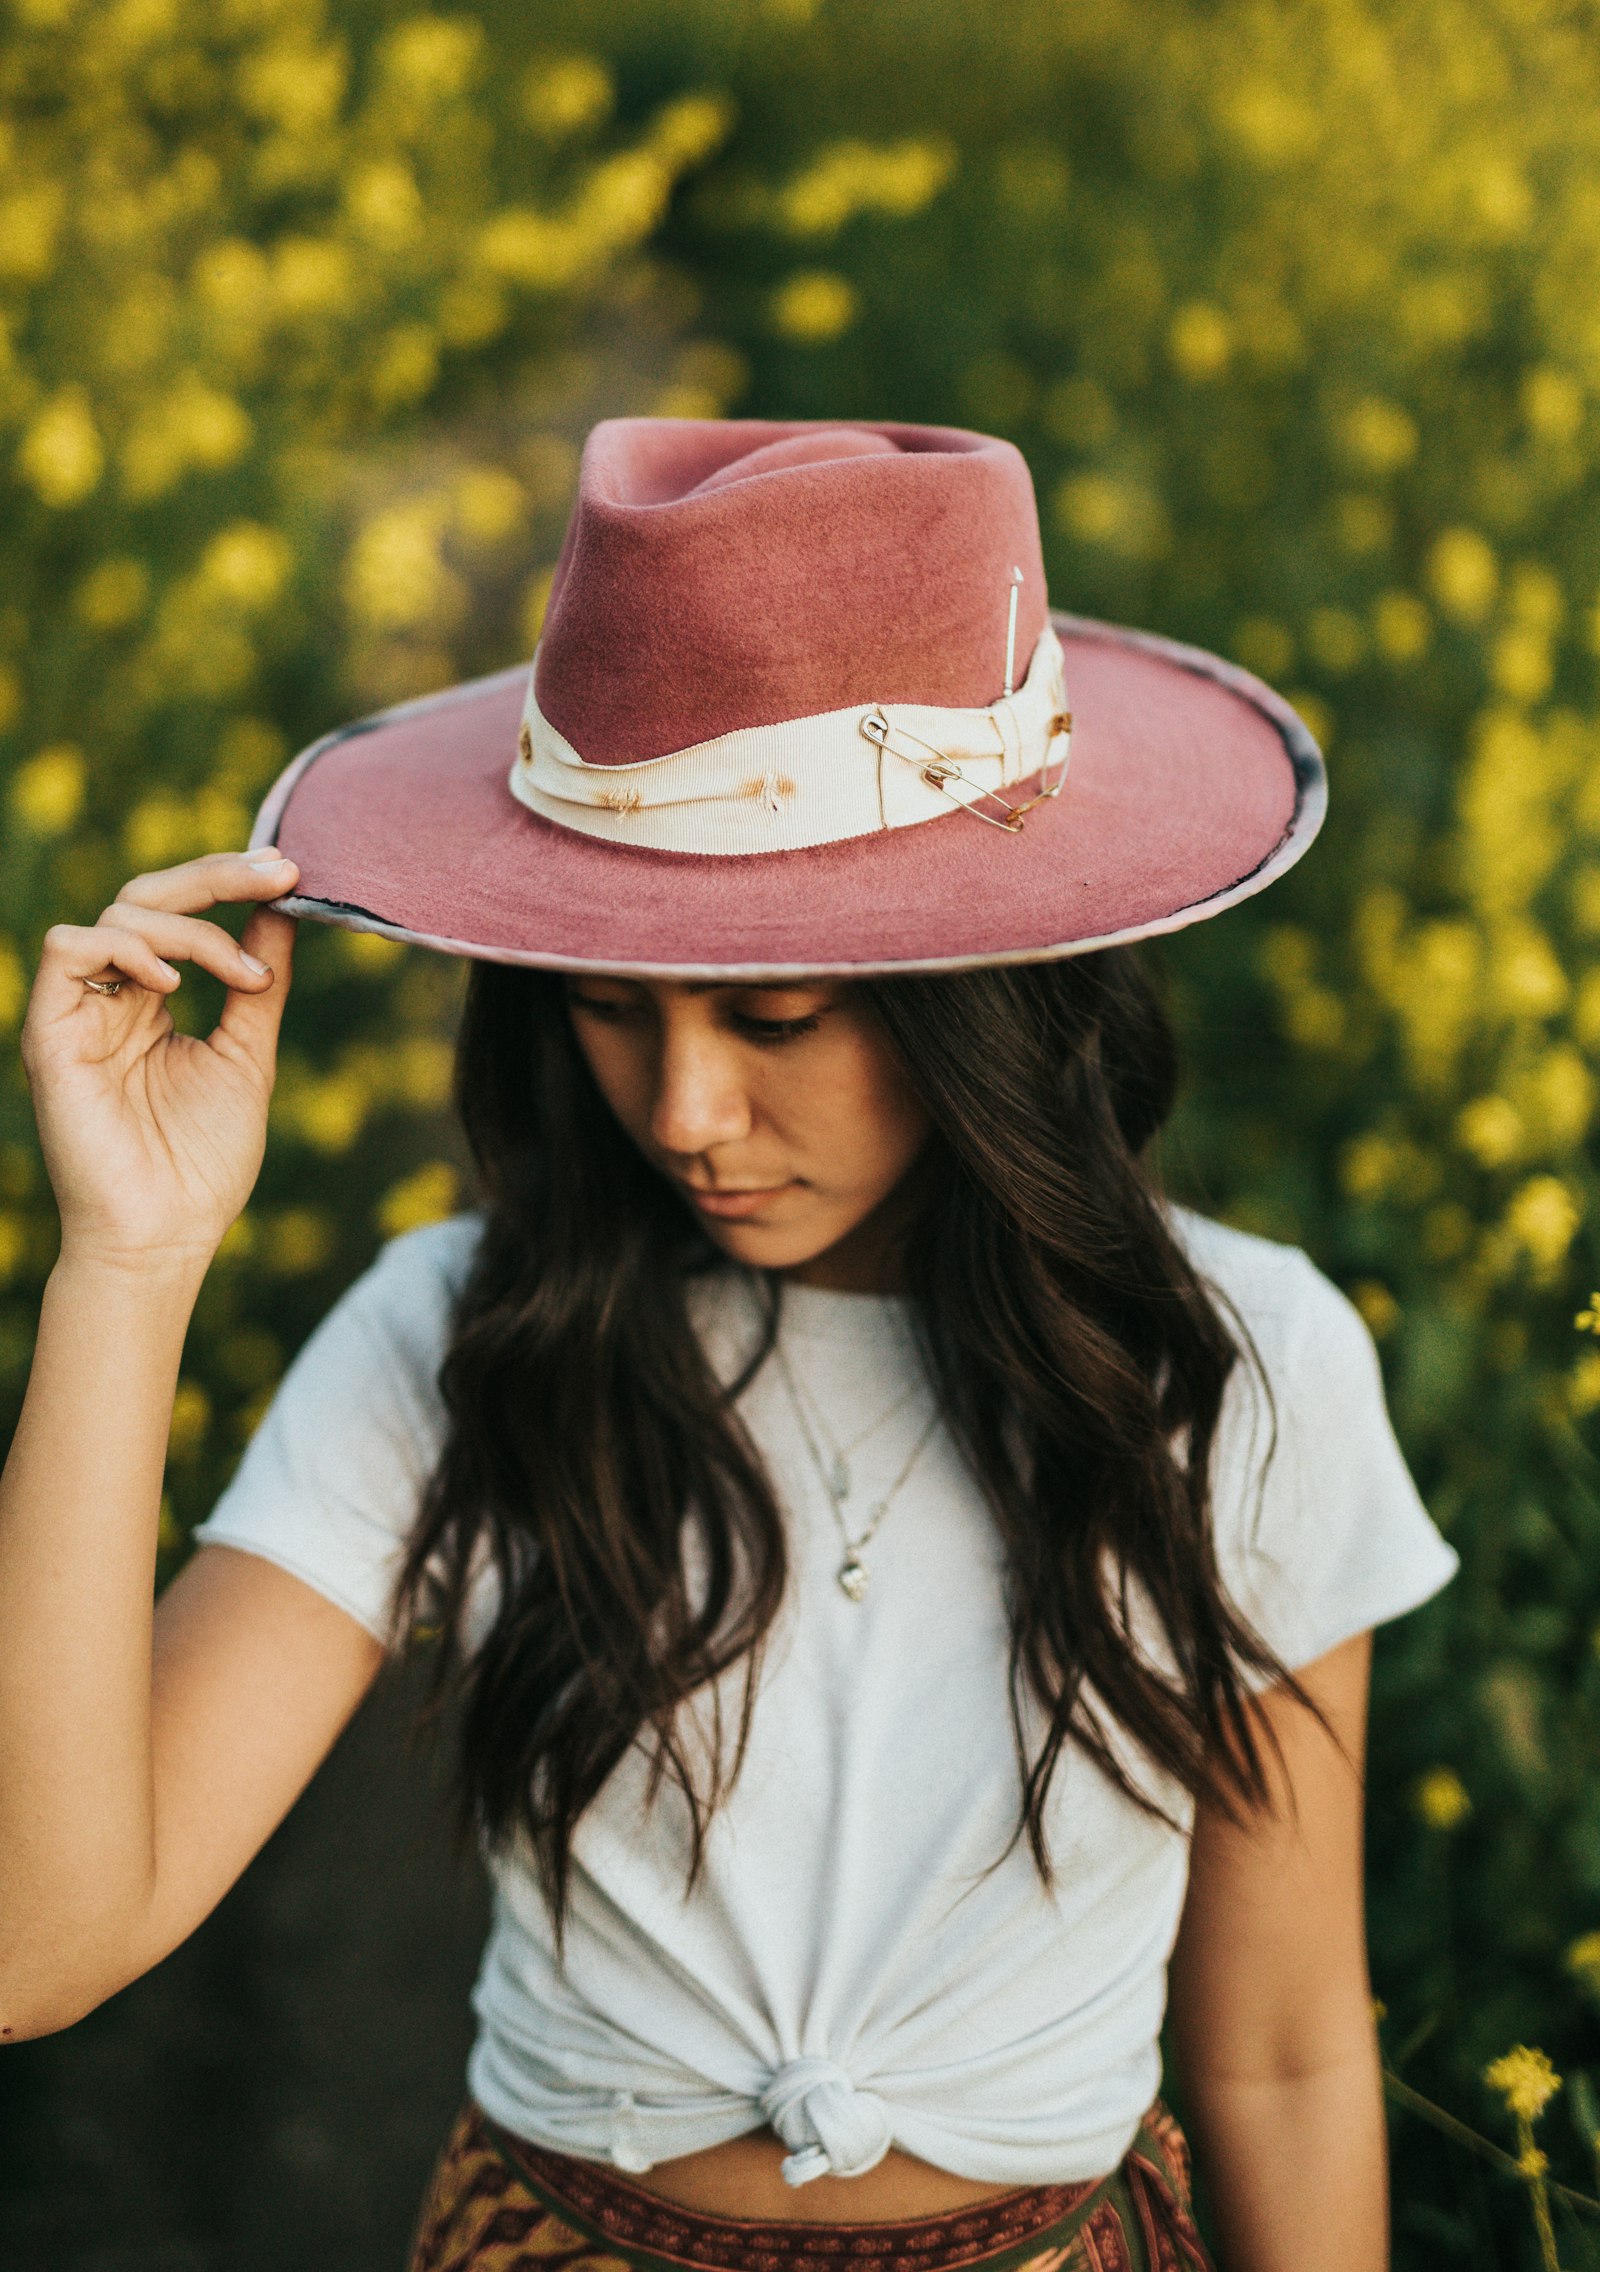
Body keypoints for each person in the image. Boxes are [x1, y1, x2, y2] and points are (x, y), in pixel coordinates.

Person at [0, 420, 1457, 2272]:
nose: (685, 1110)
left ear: (987, 995)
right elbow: (32, 1947)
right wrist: (127, 1265)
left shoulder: (1241, 1367)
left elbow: (1284, 2057)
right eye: (606, 1006)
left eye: (775, 1015)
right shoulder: (457, 1338)